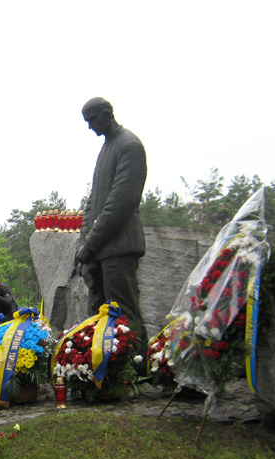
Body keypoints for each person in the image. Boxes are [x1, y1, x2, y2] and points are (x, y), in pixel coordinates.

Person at [76, 96, 149, 368]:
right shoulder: (106, 148)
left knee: (124, 314)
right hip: (99, 249)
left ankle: (135, 370)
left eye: (92, 119)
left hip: (119, 246)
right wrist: (83, 241)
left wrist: (91, 243)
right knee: (99, 315)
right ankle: (107, 370)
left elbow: (121, 203)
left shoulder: (129, 145)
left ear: (107, 113)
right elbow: (93, 202)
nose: (90, 126)